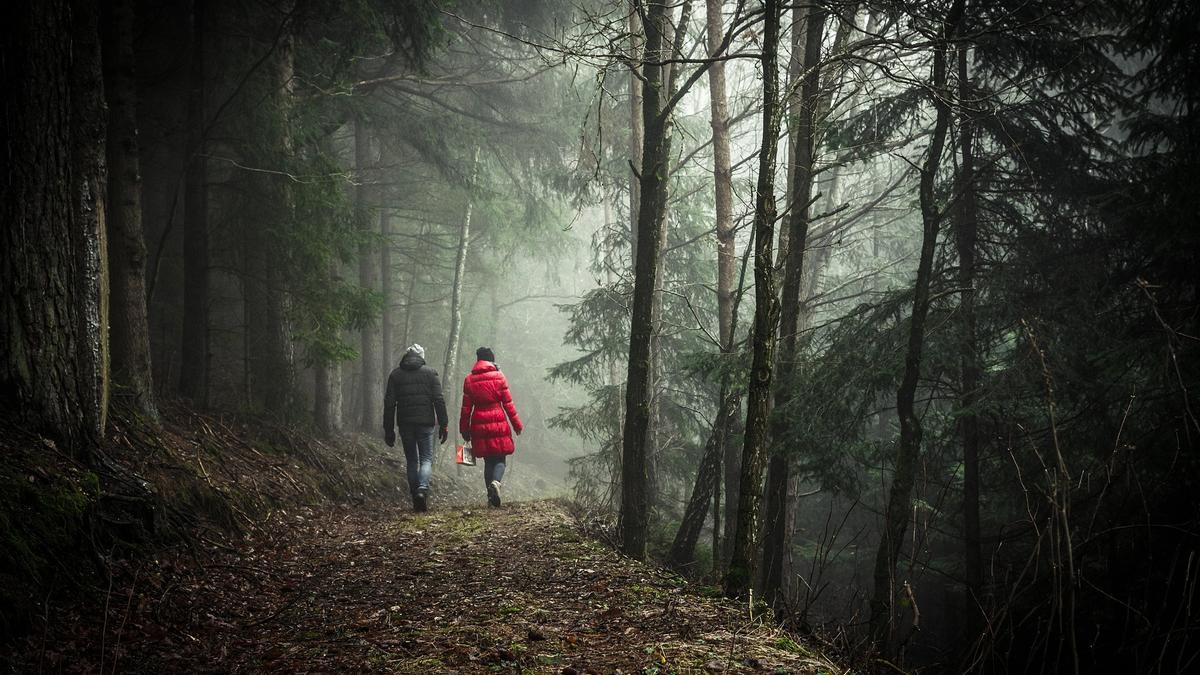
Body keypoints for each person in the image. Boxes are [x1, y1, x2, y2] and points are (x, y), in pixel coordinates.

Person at [383, 344, 448, 511]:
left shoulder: (395, 375)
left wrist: (388, 429)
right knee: (426, 459)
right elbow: (439, 400)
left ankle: (415, 496)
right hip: (426, 423)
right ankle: (422, 490)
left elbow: (389, 404)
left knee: (412, 460)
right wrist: (444, 424)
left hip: (405, 424)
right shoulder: (430, 373)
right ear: (422, 357)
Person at [460, 347, 523, 507]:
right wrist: (517, 424)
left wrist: (464, 429)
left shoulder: (469, 380)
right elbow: (508, 403)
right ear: (491, 360)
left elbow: (466, 407)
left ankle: (490, 496)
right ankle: (496, 483)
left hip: (478, 422)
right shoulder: (499, 376)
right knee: (500, 458)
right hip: (497, 420)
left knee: (488, 461)